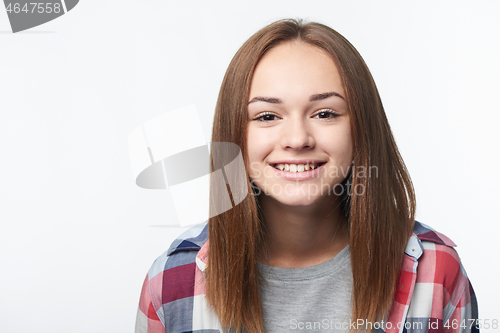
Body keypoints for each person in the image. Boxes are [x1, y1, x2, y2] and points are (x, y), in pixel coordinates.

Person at [135, 18, 479, 333]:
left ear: (361, 128)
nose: (297, 139)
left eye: (325, 113)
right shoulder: (171, 281)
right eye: (267, 116)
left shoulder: (435, 269)